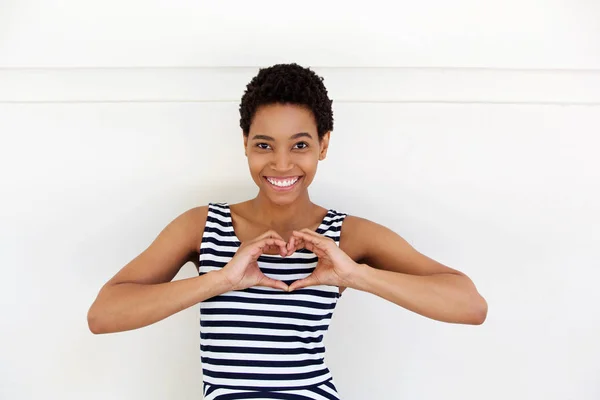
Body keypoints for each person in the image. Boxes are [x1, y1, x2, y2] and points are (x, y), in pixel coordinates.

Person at [87, 63, 488, 399]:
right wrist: (221, 280)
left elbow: (470, 305)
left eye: (299, 145)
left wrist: (356, 275)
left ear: (323, 145)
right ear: (245, 143)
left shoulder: (348, 236)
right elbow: (103, 314)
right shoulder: (200, 225)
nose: (281, 164)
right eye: (264, 145)